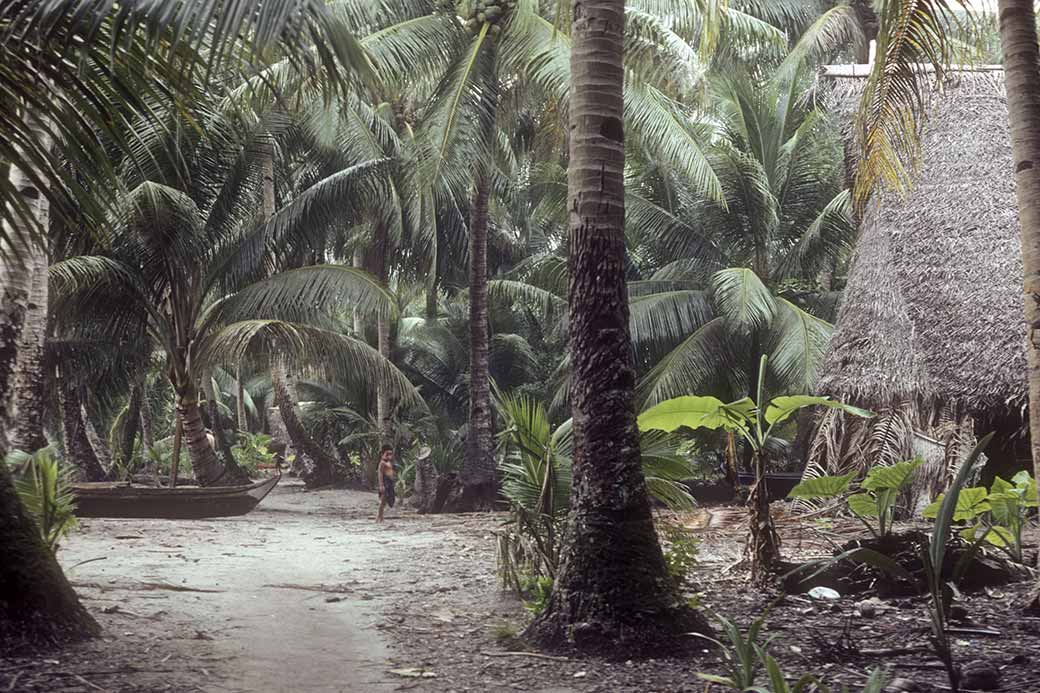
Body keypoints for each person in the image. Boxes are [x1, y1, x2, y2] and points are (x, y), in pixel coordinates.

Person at [376, 444, 396, 523]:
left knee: (386, 501)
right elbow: (380, 474)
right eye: (387, 454)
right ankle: (379, 517)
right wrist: (381, 485)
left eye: (390, 454)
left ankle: (381, 516)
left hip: (390, 482)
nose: (389, 456)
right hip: (385, 482)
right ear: (382, 454)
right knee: (383, 500)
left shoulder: (389, 462)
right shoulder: (382, 463)